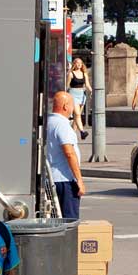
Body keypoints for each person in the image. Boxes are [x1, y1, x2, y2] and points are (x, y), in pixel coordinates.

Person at [44, 90, 84, 221]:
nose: (73, 108)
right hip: (64, 180)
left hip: (50, 179)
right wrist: (79, 180)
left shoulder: (47, 123)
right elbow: (69, 152)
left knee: (53, 220)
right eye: (72, 105)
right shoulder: (62, 125)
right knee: (69, 222)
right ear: (66, 106)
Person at [68, 56, 91, 136]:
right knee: (77, 114)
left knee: (77, 117)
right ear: (74, 64)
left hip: (81, 95)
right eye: (77, 63)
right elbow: (67, 86)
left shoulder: (84, 74)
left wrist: (91, 91)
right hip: (73, 94)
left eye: (81, 63)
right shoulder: (71, 74)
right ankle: (82, 132)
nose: (79, 64)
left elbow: (87, 84)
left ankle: (72, 134)